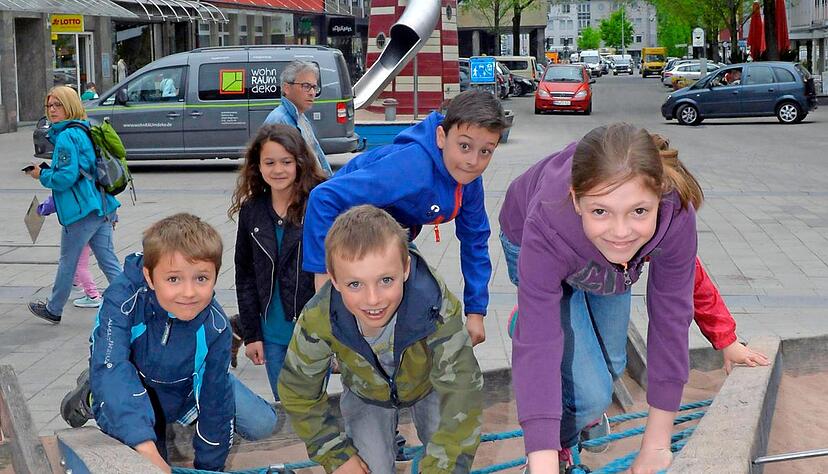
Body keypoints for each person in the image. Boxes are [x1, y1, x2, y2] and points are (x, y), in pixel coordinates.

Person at [502, 123, 702, 473]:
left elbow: (671, 318)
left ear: (660, 194)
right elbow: (538, 348)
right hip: (539, 246)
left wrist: (656, 445)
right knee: (591, 395)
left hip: (607, 270)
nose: (621, 233)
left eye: (640, 211)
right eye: (601, 211)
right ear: (577, 200)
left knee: (612, 363)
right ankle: (565, 441)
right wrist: (542, 461)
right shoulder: (547, 223)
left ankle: (581, 404)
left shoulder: (676, 212)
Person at [59, 213, 278, 473]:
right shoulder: (123, 299)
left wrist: (208, 468)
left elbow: (215, 402)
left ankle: (175, 411)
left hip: (185, 384)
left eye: (201, 278)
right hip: (131, 379)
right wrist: (147, 449)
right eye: (173, 279)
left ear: (216, 277)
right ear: (150, 277)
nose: (188, 292)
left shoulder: (216, 325)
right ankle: (92, 392)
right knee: (147, 449)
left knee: (262, 423)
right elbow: (113, 367)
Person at [278, 205, 483, 473]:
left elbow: (463, 390)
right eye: (355, 284)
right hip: (367, 394)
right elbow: (298, 390)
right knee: (369, 467)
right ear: (334, 279)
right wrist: (335, 455)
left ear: (406, 270)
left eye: (386, 280)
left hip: (430, 386)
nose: (373, 299)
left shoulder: (436, 306)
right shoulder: (320, 317)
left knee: (449, 454)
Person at [302, 89, 510, 346]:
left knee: (416, 305)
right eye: (464, 146)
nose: (472, 161)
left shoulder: (468, 181)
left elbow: (475, 239)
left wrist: (476, 311)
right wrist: (323, 277)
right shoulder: (412, 167)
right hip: (338, 230)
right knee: (337, 327)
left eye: (485, 152)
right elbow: (323, 197)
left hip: (386, 235)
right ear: (441, 136)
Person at [228, 124, 327, 400]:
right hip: (271, 334)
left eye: (286, 161)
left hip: (312, 331)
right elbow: (245, 275)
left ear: (300, 163)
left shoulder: (318, 204)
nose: (278, 169)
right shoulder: (252, 211)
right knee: (284, 403)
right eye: (269, 162)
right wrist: (252, 334)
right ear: (257, 166)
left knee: (311, 405)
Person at [26, 85, 122, 324]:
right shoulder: (84, 128)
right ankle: (132, 303)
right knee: (108, 260)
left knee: (68, 261)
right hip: (101, 204)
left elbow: (65, 178)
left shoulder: (67, 136)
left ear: (69, 105)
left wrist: (42, 175)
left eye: (58, 104)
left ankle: (54, 308)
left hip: (81, 210)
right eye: (49, 105)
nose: (52, 110)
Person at [263, 60, 333, 176]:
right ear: (286, 88)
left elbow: (316, 155)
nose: (312, 93)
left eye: (314, 87)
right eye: (306, 86)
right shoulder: (279, 121)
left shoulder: (300, 117)